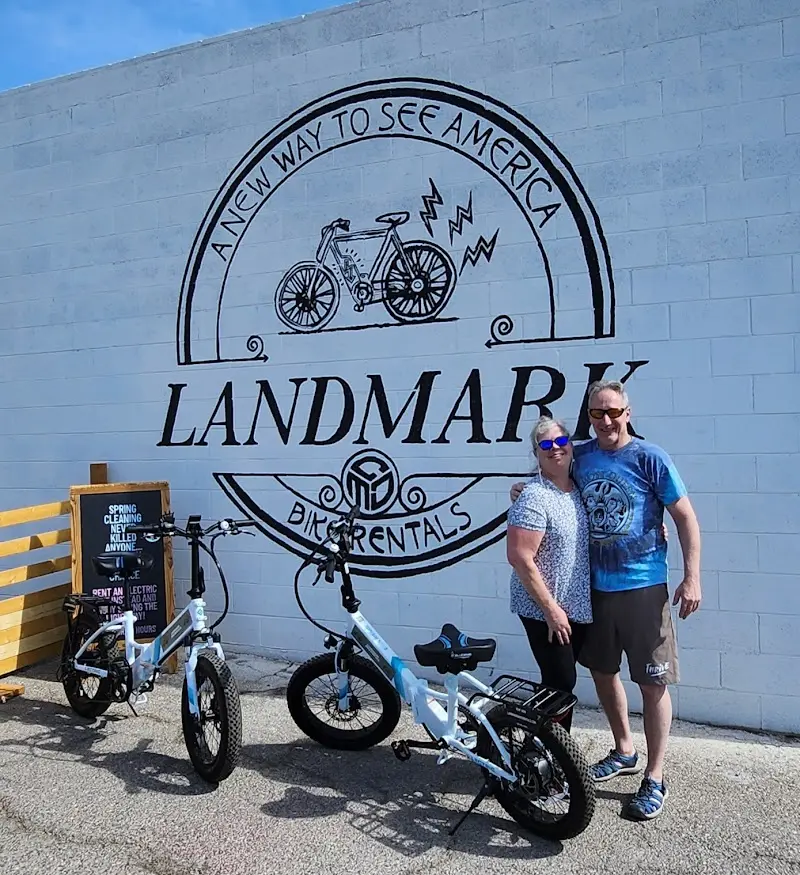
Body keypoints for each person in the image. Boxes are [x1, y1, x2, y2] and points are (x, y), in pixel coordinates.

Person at [510, 379, 701, 821]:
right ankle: (623, 750)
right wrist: (519, 491)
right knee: (602, 672)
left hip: (643, 588)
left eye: (614, 411)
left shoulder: (651, 457)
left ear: (628, 412)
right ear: (590, 417)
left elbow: (685, 517)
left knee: (653, 683)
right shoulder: (581, 456)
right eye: (598, 413)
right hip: (594, 591)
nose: (607, 420)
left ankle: (654, 777)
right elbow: (549, 481)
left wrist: (692, 578)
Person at [506, 415, 591, 733]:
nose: (555, 449)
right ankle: (546, 753)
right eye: (545, 444)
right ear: (536, 453)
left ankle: (543, 750)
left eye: (560, 442)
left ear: (570, 446)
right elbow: (519, 557)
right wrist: (552, 611)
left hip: (574, 605)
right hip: (544, 608)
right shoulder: (534, 497)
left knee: (559, 684)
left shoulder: (578, 490)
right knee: (561, 681)